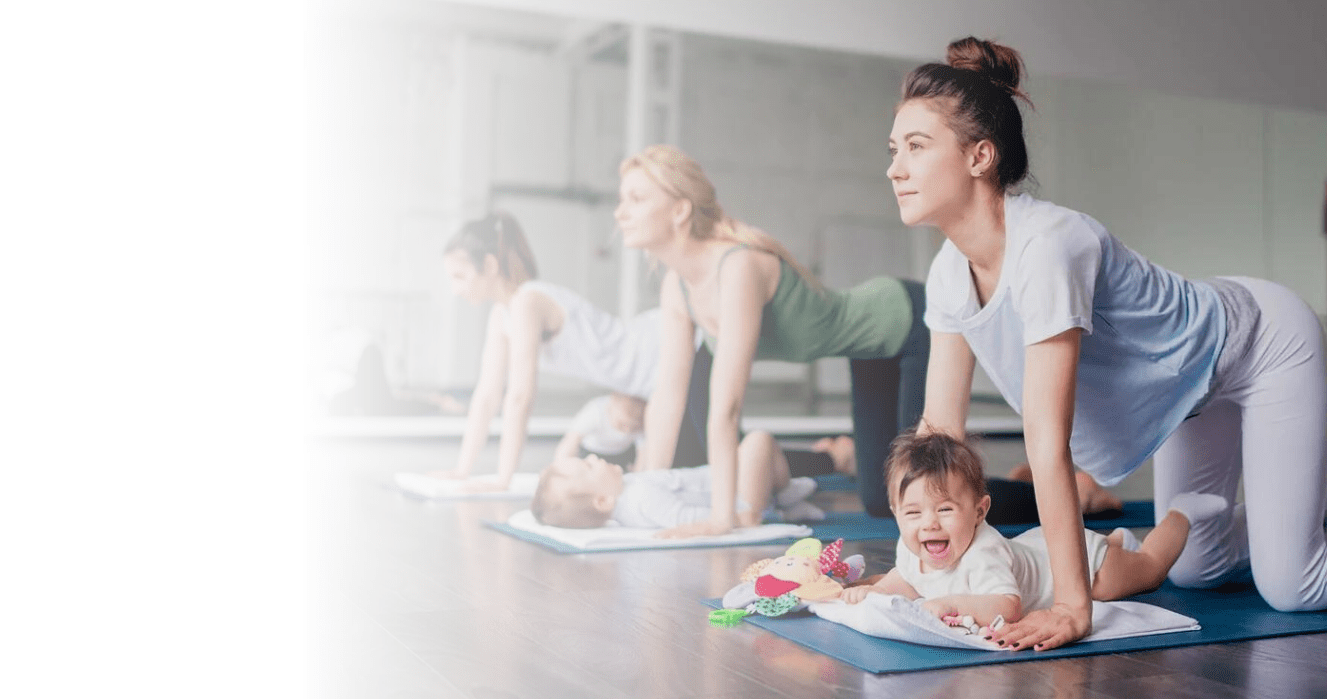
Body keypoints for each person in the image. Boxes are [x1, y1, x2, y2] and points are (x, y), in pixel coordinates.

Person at [889, 37, 1327, 649]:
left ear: (979, 156)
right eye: (893, 149)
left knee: (1295, 589)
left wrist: (1073, 606)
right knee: (1195, 571)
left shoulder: (1048, 247)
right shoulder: (948, 271)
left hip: (1262, 344)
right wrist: (905, 575)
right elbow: (939, 439)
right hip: (1187, 394)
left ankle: (1295, 533)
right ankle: (1293, 518)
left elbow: (1049, 445)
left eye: (915, 147)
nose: (895, 168)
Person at [615, 144, 931, 532]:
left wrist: (723, 515)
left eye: (636, 199)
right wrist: (649, 491)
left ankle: (1025, 492)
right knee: (884, 503)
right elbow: (668, 396)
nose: (620, 212)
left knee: (925, 499)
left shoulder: (737, 268)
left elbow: (727, 406)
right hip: (869, 350)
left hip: (911, 321)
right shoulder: (676, 287)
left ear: (680, 210)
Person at [839, 432, 1222, 641]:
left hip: (1083, 567)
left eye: (945, 509)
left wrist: (950, 603)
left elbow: (1008, 607)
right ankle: (1118, 540)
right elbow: (903, 580)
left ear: (980, 512)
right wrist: (870, 592)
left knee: (1150, 571)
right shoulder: (912, 545)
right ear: (896, 513)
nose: (929, 525)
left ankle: (1181, 512)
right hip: (1033, 548)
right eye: (913, 513)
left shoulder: (983, 553)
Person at [431, 213, 665, 491]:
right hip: (642, 381)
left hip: (658, 350)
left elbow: (520, 397)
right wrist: (462, 470)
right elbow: (487, 395)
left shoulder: (527, 302)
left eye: (459, 276)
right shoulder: (502, 314)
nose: (455, 289)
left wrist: (504, 479)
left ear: (490, 265)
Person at [530, 431, 822, 529]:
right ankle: (782, 497)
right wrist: (735, 518)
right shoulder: (640, 497)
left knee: (752, 452)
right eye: (588, 465)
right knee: (759, 441)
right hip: (739, 501)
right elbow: (685, 517)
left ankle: (786, 502)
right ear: (603, 500)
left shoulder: (630, 493)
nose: (594, 457)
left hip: (733, 486)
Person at [553, 392, 648, 468]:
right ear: (613, 403)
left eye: (634, 428)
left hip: (624, 453)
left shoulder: (642, 418)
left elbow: (643, 452)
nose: (627, 432)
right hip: (593, 452)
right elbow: (570, 441)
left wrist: (638, 474)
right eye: (622, 425)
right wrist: (562, 467)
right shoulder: (595, 412)